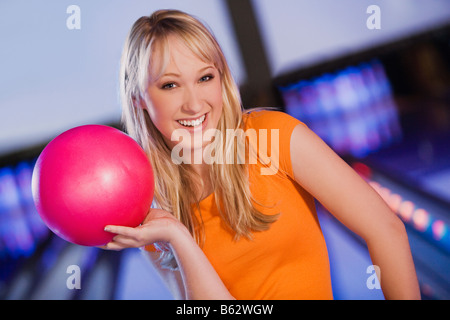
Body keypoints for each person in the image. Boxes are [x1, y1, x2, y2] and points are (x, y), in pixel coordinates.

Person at [101, 9, 420, 300]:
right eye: (170, 85)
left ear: (221, 78)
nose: (194, 104)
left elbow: (385, 229)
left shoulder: (274, 137)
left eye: (205, 78)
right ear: (138, 97)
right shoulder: (155, 211)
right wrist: (178, 238)